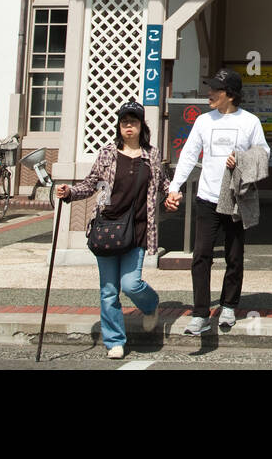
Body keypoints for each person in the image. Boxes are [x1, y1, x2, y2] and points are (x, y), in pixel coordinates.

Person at [57, 100, 178, 360]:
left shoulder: (152, 155)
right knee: (109, 290)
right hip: (108, 228)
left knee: (131, 284)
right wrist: (69, 192)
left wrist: (171, 196)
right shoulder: (108, 153)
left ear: (141, 125)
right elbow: (91, 185)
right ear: (119, 126)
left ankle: (150, 304)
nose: (129, 126)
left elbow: (164, 183)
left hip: (138, 229)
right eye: (124, 122)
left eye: (133, 121)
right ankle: (115, 340)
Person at [165, 68, 270, 335]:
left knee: (234, 256)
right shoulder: (203, 121)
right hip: (207, 198)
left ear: (231, 95)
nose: (209, 94)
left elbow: (264, 153)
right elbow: (189, 154)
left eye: (215, 90)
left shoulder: (250, 122)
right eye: (210, 88)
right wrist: (175, 186)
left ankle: (229, 306)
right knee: (201, 255)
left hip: (235, 199)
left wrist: (242, 160)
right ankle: (200, 312)